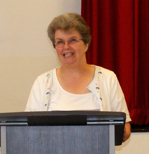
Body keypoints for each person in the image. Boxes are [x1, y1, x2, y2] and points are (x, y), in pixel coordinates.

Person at [25, 13, 131, 142]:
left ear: (86, 44)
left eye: (73, 40)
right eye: (60, 42)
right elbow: (27, 130)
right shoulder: (42, 83)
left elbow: (125, 128)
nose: (66, 47)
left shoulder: (108, 78)